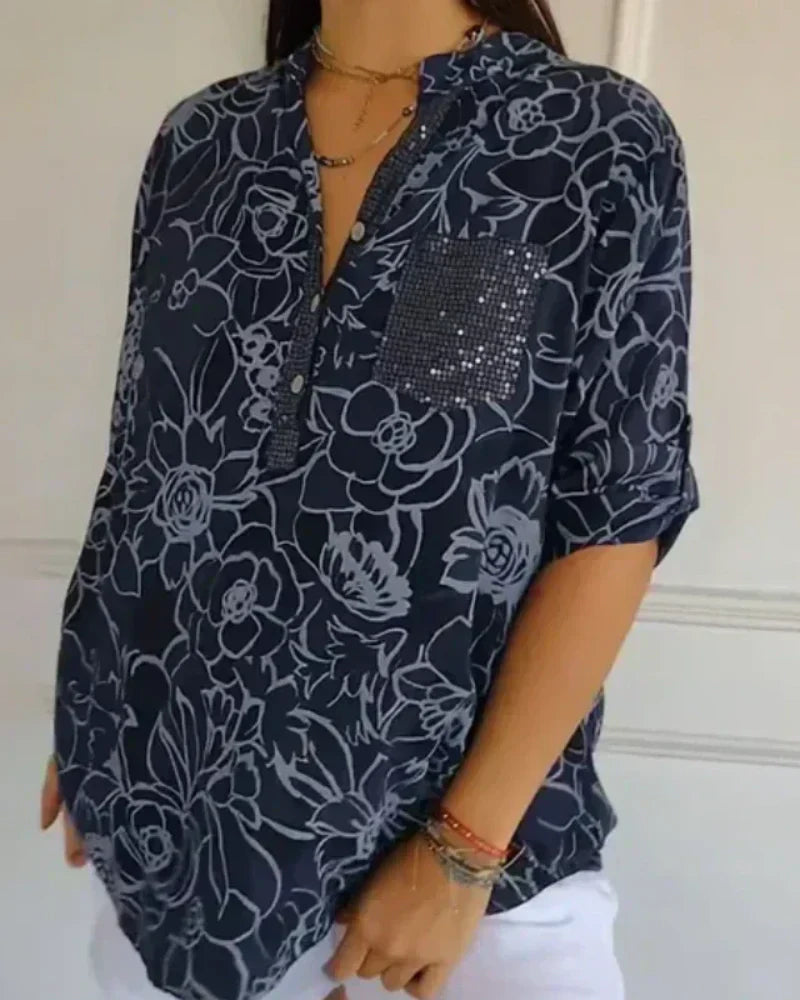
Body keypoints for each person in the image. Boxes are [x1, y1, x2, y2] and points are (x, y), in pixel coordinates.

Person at [40, 1, 699, 999]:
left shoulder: (591, 137)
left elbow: (618, 511)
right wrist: (95, 715)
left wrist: (462, 848)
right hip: (179, 843)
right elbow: (147, 467)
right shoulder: (203, 141)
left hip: (471, 886)